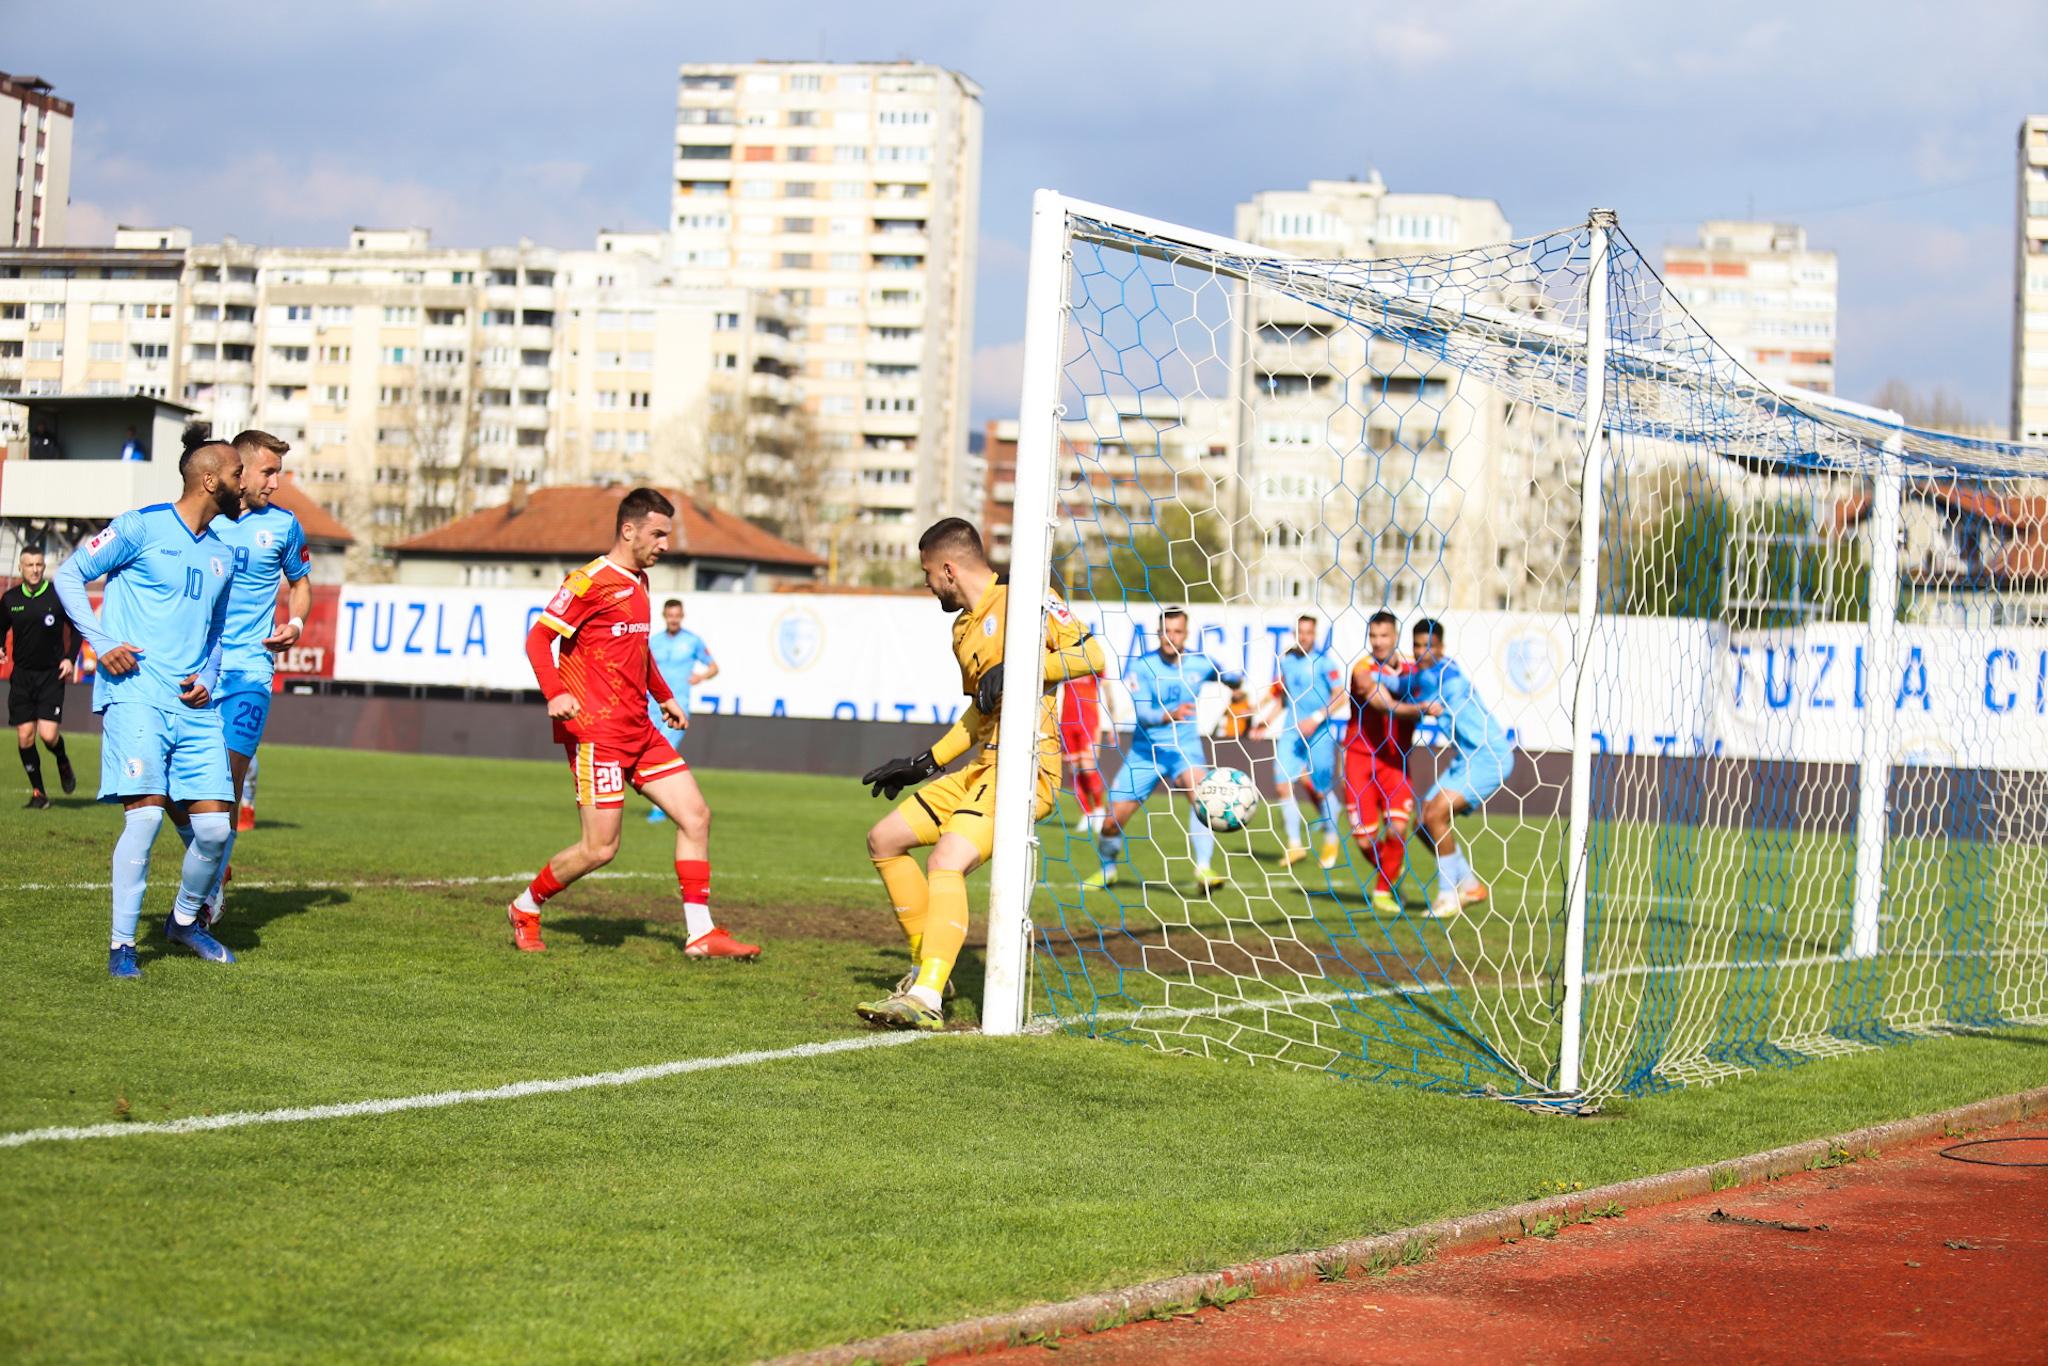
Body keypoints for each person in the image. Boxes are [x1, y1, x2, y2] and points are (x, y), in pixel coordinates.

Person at [856, 518, 1104, 1030]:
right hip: (983, 763)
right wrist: (924, 763)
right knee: (884, 839)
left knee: (947, 858)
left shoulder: (1028, 597)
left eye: (928, 573)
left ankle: (925, 996)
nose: (927, 585)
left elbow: (1093, 655)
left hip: (1026, 767)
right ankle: (933, 969)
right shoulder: (963, 628)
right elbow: (980, 712)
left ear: (949, 568)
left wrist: (1025, 666)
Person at [508, 487, 758, 960]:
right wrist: (555, 691)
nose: (665, 544)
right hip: (596, 735)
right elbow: (538, 639)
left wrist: (664, 697)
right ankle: (526, 906)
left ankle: (700, 933)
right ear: (629, 530)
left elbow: (638, 651)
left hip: (639, 730)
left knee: (695, 816)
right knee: (600, 850)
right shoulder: (588, 581)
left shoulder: (640, 582)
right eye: (658, 534)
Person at [53, 427, 244, 977]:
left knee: (213, 831)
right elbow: (71, 575)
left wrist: (209, 675)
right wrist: (102, 641)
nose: (242, 485)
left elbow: (214, 636)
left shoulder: (223, 556)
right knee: (145, 821)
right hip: (135, 694)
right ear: (210, 480)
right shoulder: (140, 525)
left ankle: (183, 922)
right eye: (236, 475)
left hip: (194, 706)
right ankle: (122, 948)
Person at [174, 430, 312, 925]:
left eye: (280, 473)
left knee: (228, 782)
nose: (275, 483)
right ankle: (211, 856)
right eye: (268, 472)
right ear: (241, 468)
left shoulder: (284, 526)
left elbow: (301, 585)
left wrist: (295, 623)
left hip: (250, 671)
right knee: (177, 789)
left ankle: (209, 892)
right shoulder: (204, 519)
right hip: (196, 669)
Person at [1083, 606, 1244, 895]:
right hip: (1145, 753)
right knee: (1111, 821)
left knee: (1202, 799)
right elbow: (1144, 715)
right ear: (1158, 633)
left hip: (1185, 748)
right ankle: (1108, 870)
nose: (1171, 637)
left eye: (1177, 631)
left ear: (1186, 633)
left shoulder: (1199, 662)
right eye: (1166, 631)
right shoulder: (1142, 667)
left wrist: (1236, 685)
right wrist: (1172, 713)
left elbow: (1226, 675)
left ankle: (1204, 868)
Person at [1364, 617, 1518, 919]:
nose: (1422, 652)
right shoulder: (1423, 677)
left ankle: (1448, 896)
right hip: (1465, 759)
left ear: (1441, 648)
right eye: (1417, 646)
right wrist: (1372, 671)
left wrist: (1382, 682)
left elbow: (1421, 693)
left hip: (1490, 757)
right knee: (1422, 825)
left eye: (1429, 647)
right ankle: (1470, 885)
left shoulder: (1450, 678)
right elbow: (1399, 683)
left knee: (1435, 815)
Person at [1333, 610, 1417, 916]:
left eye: (1384, 636)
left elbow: (1434, 685)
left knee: (1396, 828)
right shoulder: (1362, 669)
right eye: (1373, 636)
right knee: (1365, 840)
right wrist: (1422, 708)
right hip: (1358, 761)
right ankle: (1392, 869)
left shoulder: (1411, 668)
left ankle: (1383, 890)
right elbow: (1378, 700)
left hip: (1395, 761)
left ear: (1396, 637)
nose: (1378, 642)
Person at [1252, 613, 1345, 870]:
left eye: (1308, 632)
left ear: (1315, 635)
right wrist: (1267, 720)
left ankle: (1330, 838)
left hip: (1319, 733)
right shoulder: (1287, 662)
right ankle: (1294, 845)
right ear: (1294, 633)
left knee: (1320, 788)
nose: (1304, 637)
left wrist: (1315, 718)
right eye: (1300, 632)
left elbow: (1341, 696)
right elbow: (1285, 697)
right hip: (1292, 731)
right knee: (1282, 784)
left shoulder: (1325, 664)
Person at [3, 548, 79, 807]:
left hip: (51, 676)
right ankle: (39, 794)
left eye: (38, 564)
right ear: (21, 568)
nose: (34, 569)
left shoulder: (57, 596)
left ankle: (62, 759)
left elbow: (77, 629)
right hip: (22, 677)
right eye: (29, 565)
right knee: (25, 736)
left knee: (47, 735)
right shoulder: (10, 598)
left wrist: (70, 658)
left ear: (43, 568)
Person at [644, 597, 717, 824]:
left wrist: (701, 677)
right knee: (649, 753)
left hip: (678, 705)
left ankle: (659, 806)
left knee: (665, 750)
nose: (674, 619)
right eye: (670, 615)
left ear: (682, 616)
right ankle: (661, 801)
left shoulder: (692, 641)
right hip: (652, 705)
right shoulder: (653, 641)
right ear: (664, 616)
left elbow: (713, 666)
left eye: (677, 615)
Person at [1060, 671, 1106, 834]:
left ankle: (1100, 810)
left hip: (1088, 721)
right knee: (1074, 770)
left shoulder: (1093, 661)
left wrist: (1112, 715)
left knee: (1088, 768)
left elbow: (1107, 687)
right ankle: (1087, 813)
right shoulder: (1066, 662)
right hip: (1067, 721)